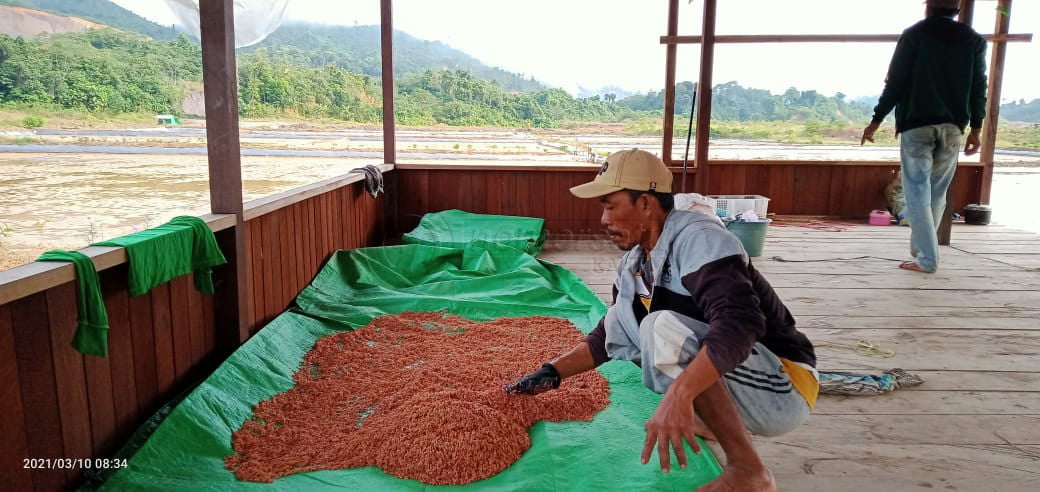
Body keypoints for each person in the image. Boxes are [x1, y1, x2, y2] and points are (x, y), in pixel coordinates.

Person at [505, 149, 818, 492]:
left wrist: (678, 396)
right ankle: (712, 420)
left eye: (611, 206)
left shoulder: (700, 239)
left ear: (645, 204)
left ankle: (749, 470)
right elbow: (608, 336)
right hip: (748, 383)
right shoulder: (636, 266)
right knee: (647, 330)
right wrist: (550, 372)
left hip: (783, 385)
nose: (604, 220)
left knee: (660, 327)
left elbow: (740, 323)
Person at [861, 0, 987, 273]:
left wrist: (876, 121)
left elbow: (895, 83)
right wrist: (976, 129)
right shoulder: (974, 41)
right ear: (957, 8)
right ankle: (921, 253)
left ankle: (927, 259)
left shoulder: (914, 35)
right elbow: (979, 87)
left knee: (916, 193)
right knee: (937, 194)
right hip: (953, 127)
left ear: (928, 5)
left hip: (916, 125)